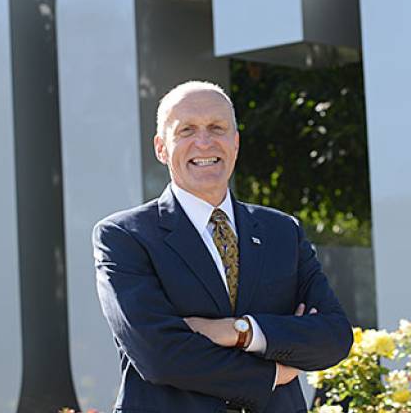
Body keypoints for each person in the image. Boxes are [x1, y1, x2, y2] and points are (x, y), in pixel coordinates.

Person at [93, 81, 353, 412]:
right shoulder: (123, 236)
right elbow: (159, 355)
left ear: (235, 142)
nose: (204, 142)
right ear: (161, 148)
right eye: (186, 130)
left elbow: (333, 337)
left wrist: (239, 331)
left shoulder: (282, 231)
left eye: (217, 128)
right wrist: (273, 371)